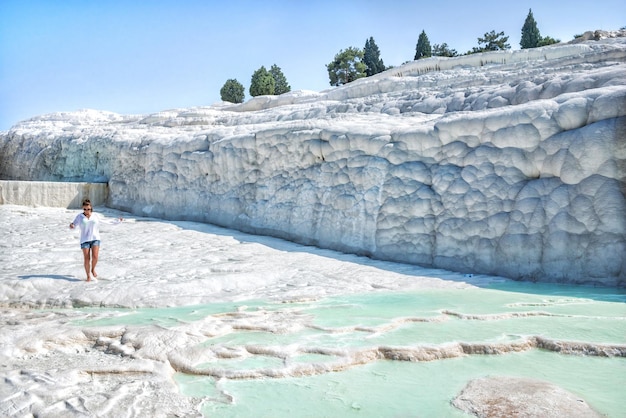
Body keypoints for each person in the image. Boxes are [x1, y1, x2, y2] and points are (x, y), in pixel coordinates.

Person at [69, 199, 122, 281]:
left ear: (91, 208)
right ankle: (88, 276)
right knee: (87, 259)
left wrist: (117, 221)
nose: (86, 211)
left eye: (88, 209)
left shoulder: (95, 216)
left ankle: (93, 269)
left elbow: (106, 221)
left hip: (95, 238)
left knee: (95, 257)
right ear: (83, 209)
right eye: (85, 209)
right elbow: (74, 225)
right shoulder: (79, 217)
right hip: (84, 240)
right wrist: (71, 225)